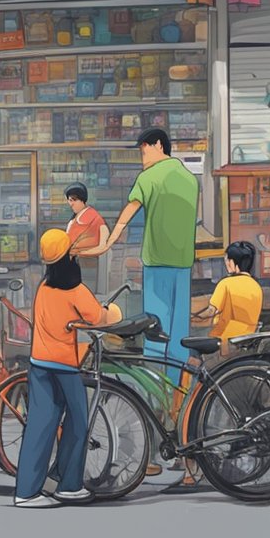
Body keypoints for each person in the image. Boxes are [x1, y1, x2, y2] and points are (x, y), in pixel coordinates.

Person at [14, 229, 122, 509]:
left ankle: (27, 491)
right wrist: (115, 311)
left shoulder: (45, 290)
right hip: (64, 366)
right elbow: (99, 317)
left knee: (39, 426)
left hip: (39, 363)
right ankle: (69, 486)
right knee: (77, 423)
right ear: (69, 258)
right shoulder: (75, 291)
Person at [95, 128, 198, 383]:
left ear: (159, 146)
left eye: (144, 149)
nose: (142, 156)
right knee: (178, 334)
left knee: (154, 329)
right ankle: (177, 396)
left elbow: (130, 210)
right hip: (183, 263)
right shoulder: (189, 178)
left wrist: (109, 239)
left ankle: (154, 398)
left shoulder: (149, 177)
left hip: (157, 262)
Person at [170, 240, 264, 491]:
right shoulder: (255, 287)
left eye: (226, 260)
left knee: (190, 393)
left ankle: (187, 460)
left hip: (221, 349)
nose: (225, 264)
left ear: (232, 263)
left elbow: (211, 312)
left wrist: (189, 316)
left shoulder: (227, 283)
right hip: (243, 349)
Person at [64, 183, 109, 255]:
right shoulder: (74, 218)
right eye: (69, 200)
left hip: (85, 259)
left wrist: (81, 253)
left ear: (82, 200)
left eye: (74, 200)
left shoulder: (94, 217)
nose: (71, 204)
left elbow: (102, 246)